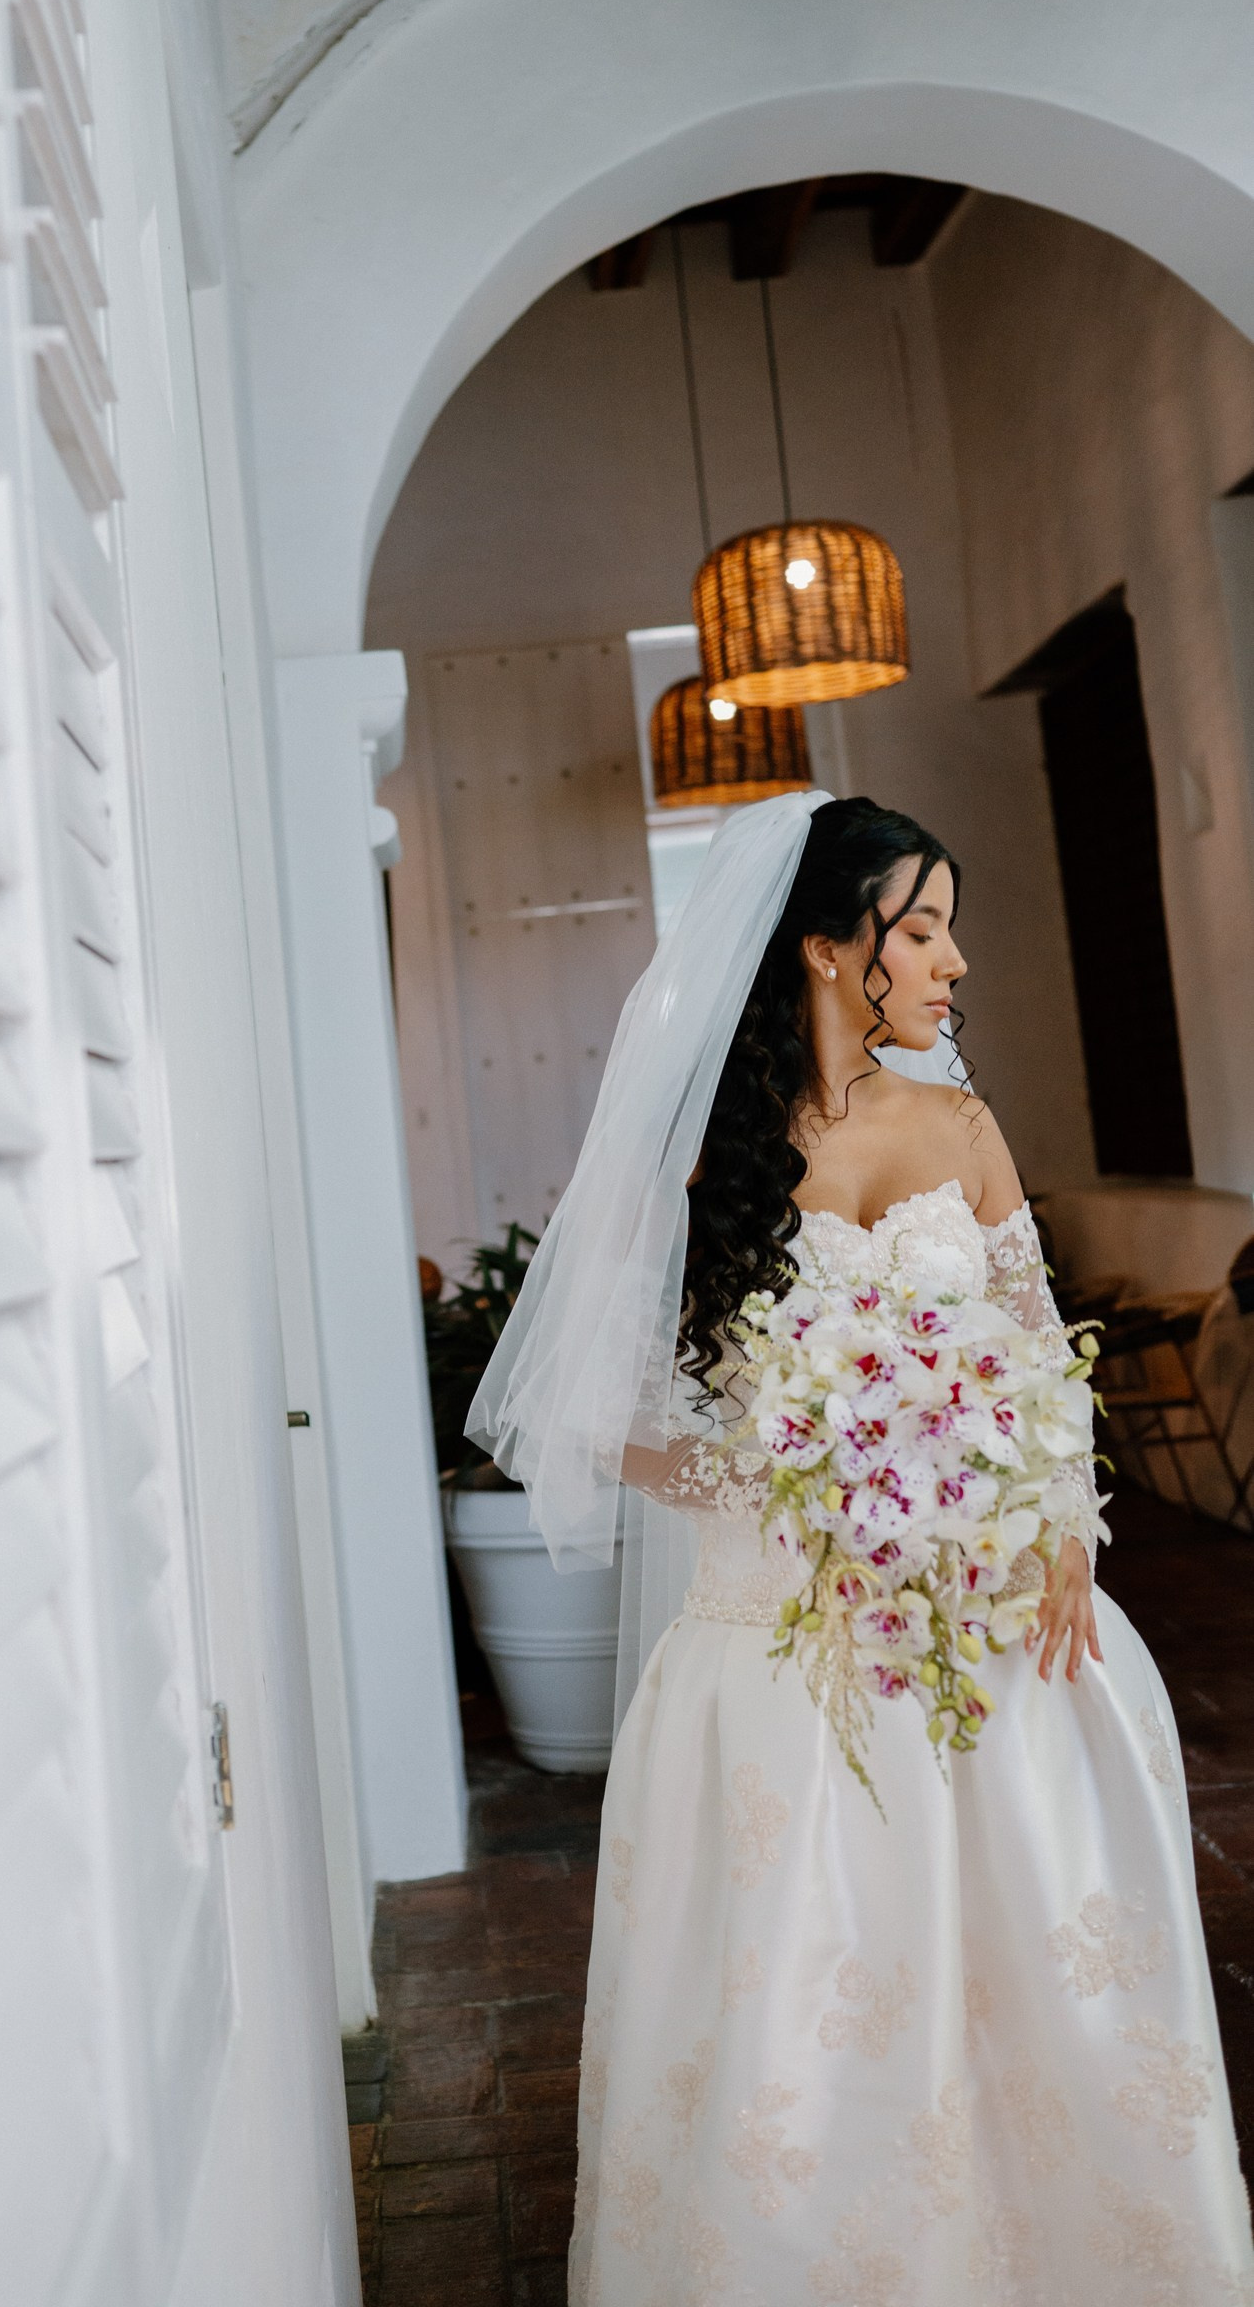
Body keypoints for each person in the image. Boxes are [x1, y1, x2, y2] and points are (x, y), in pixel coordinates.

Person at [469, 793, 1254, 2307]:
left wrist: (1058, 1523)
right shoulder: (704, 1163)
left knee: (1033, 1979)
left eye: (950, 928)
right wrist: (784, 1472)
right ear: (831, 951)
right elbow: (588, 1413)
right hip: (785, 1635)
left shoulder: (962, 1127)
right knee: (810, 2008)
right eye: (924, 928)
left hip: (991, 1619)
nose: (956, 962)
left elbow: (1038, 1356)